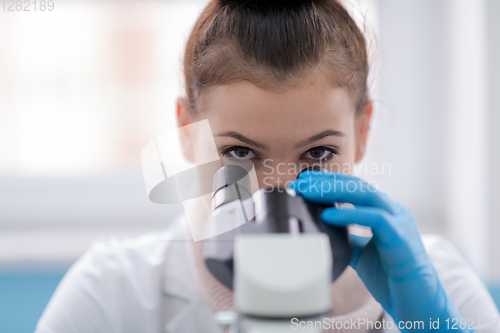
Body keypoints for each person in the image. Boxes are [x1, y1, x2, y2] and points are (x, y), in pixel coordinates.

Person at [35, 0, 500, 332]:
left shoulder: (439, 284)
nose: (277, 191)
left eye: (317, 154)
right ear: (186, 132)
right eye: (240, 154)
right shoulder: (112, 293)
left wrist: (435, 327)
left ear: (362, 132)